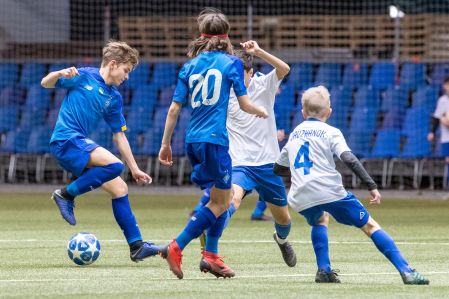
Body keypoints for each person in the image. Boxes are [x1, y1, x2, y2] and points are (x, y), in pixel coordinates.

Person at [274, 86, 429, 285]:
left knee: (320, 220)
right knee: (370, 226)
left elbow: (278, 168)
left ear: (303, 113)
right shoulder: (331, 132)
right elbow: (349, 159)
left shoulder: (294, 134)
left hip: (300, 196)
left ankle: (324, 271)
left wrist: (302, 174)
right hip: (329, 190)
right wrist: (371, 185)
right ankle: (406, 271)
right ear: (329, 112)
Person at [158, 8, 268, 279]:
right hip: (215, 141)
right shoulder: (231, 64)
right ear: (226, 35)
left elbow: (173, 110)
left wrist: (165, 144)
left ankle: (211, 257)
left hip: (191, 141)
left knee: (216, 198)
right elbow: (243, 103)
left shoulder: (189, 66)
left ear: (202, 35)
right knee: (222, 202)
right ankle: (177, 245)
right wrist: (259, 111)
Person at [41, 40, 159, 262]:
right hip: (66, 140)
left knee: (120, 188)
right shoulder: (83, 76)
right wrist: (61, 73)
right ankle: (65, 194)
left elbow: (119, 135)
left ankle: (137, 246)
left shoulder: (114, 97)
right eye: (126, 70)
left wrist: (135, 169)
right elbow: (45, 83)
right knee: (114, 165)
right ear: (113, 64)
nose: (127, 77)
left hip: (78, 146)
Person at [192, 41, 297, 272]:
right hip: (239, 164)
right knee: (231, 201)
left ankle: (281, 241)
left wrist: (258, 52)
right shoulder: (225, 93)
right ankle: (210, 247)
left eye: (241, 74)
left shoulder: (264, 84)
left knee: (284, 219)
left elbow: (285, 69)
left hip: (269, 164)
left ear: (251, 72)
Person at [428, 76, 449, 185]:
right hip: (446, 137)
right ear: (445, 86)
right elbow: (436, 117)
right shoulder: (442, 101)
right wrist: (432, 132)